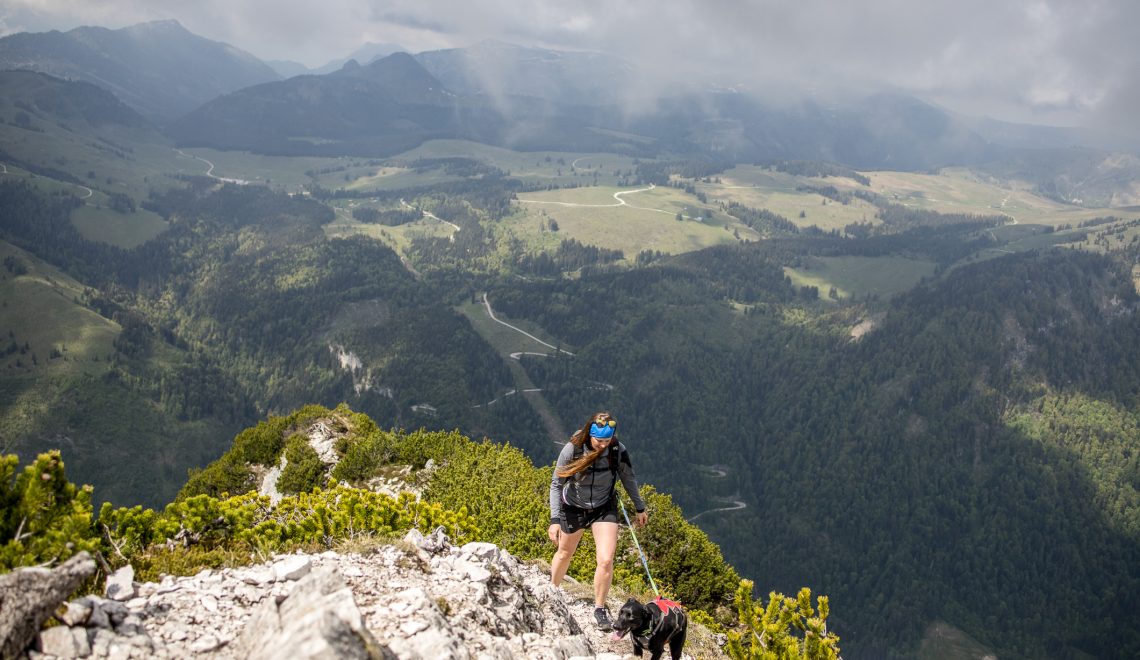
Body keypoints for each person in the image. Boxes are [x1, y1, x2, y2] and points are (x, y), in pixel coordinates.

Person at [549, 411, 648, 631]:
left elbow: (628, 478)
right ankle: (552, 592)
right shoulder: (573, 449)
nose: (603, 445)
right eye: (598, 441)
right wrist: (554, 519)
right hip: (573, 507)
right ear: (589, 435)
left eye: (607, 440)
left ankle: (600, 608)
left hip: (604, 507)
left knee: (605, 559)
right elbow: (556, 484)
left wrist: (639, 507)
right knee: (565, 553)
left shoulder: (616, 450)